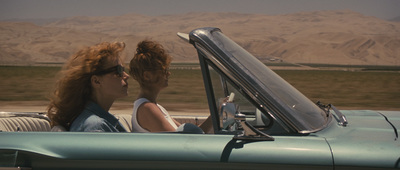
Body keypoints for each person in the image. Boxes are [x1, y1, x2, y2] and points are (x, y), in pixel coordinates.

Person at [129, 40, 212, 133]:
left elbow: (192, 135)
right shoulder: (147, 109)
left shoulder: (157, 108)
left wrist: (214, 115)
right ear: (147, 76)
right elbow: (179, 142)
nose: (168, 73)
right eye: (163, 70)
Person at [47, 42, 129, 132]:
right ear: (96, 81)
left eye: (123, 69)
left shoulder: (98, 120)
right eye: (118, 71)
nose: (126, 76)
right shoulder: (96, 127)